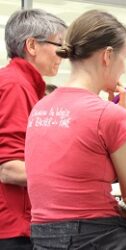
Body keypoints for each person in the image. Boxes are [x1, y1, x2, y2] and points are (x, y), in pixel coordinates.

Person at [24, 10, 126, 249]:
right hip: (97, 237)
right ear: (107, 56)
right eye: (124, 57)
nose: (123, 67)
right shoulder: (110, 115)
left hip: (43, 239)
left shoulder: (39, 109)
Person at [0, 9, 66, 250]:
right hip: (11, 226)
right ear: (32, 45)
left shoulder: (25, 86)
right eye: (58, 45)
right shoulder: (15, 85)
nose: (62, 54)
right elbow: (10, 169)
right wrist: (74, 180)